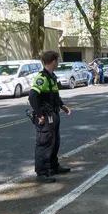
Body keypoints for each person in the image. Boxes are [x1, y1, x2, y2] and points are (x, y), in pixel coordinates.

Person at [28, 50, 72, 183]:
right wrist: (40, 115)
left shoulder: (51, 77)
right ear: (54, 61)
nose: (58, 63)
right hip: (46, 117)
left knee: (54, 142)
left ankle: (53, 166)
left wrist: (62, 106)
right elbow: (32, 96)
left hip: (53, 114)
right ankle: (41, 173)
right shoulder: (42, 78)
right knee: (44, 144)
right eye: (58, 60)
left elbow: (54, 96)